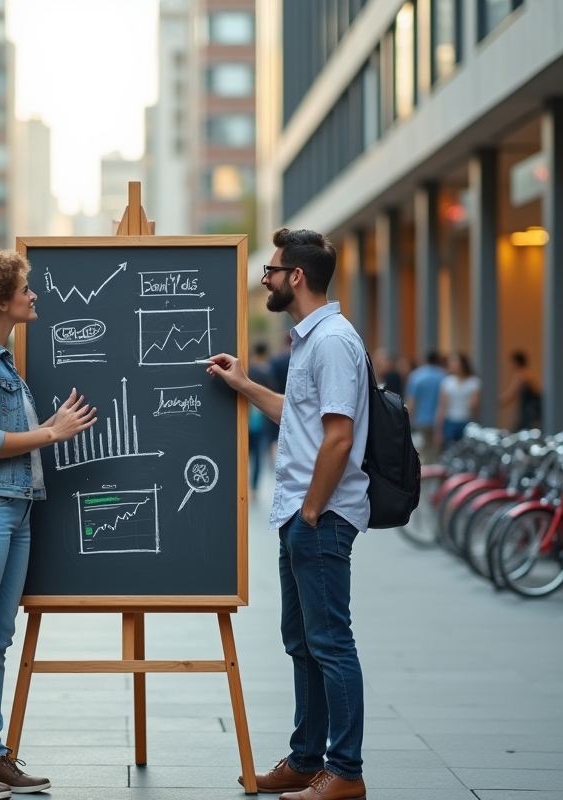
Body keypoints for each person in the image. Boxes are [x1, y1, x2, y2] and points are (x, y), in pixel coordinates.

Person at [205, 228, 370, 800]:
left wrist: (312, 510)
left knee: (329, 643)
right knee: (302, 642)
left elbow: (340, 437)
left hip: (319, 518)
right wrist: (244, 385)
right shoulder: (310, 340)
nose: (266, 281)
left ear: (295, 277)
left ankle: (344, 772)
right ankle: (306, 761)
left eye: (271, 272)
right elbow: (300, 418)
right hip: (302, 516)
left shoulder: (331, 342)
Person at [0, 249, 95, 800]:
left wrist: (49, 425)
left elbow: (2, 437)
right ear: (1, 300)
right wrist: (51, 435)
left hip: (11, 507)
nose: (33, 295)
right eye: (25, 289)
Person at [404, 352, 446, 464]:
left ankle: (429, 477)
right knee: (440, 451)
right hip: (442, 419)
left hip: (422, 419)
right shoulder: (443, 375)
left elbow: (411, 401)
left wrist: (408, 419)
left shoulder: (416, 376)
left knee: (426, 450)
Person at [435, 353, 481, 448]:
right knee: (450, 451)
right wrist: (438, 429)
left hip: (467, 421)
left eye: (455, 361)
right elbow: (442, 406)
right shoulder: (447, 382)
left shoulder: (473, 382)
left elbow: (474, 405)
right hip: (450, 421)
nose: (452, 364)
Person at [248, 342, 275, 488]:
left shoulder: (248, 370)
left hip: (245, 419)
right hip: (261, 419)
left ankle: (241, 488)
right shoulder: (268, 372)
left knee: (243, 455)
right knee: (258, 457)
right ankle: (254, 488)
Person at [499, 350, 541, 431]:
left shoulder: (521, 375)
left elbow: (510, 395)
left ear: (517, 362)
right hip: (533, 412)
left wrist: (493, 403)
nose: (510, 366)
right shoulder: (530, 373)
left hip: (528, 413)